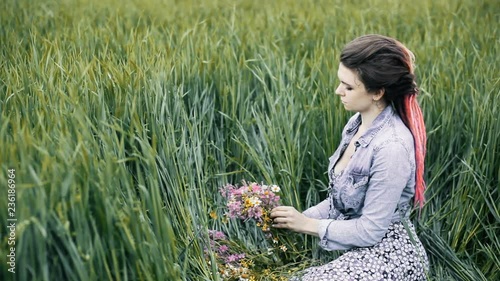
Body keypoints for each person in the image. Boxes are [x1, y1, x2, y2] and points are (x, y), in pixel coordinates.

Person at [270, 34, 429, 280]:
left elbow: (370, 231)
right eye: (340, 82)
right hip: (359, 246)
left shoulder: (392, 147)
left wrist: (306, 224)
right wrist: (292, 219)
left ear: (377, 92)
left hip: (390, 255)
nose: (338, 91)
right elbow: (340, 203)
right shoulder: (356, 124)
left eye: (348, 87)